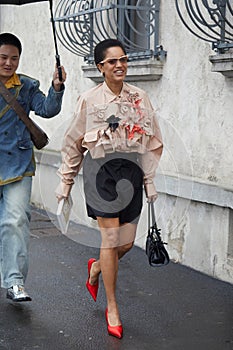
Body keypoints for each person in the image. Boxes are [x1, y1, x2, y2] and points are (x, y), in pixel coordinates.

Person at [56, 38, 162, 339]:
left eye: (124, 60)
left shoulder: (140, 98)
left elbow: (153, 142)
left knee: (125, 245)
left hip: (131, 171)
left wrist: (149, 180)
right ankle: (112, 307)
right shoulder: (89, 100)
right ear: (101, 67)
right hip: (100, 172)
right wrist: (65, 182)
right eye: (113, 61)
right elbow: (73, 142)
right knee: (110, 237)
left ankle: (96, 269)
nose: (120, 65)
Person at [0, 33, 66, 302]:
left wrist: (57, 86)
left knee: (15, 220)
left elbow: (47, 109)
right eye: (3, 57)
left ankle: (14, 281)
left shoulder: (26, 86)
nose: (8, 63)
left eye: (13, 58)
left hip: (18, 164)